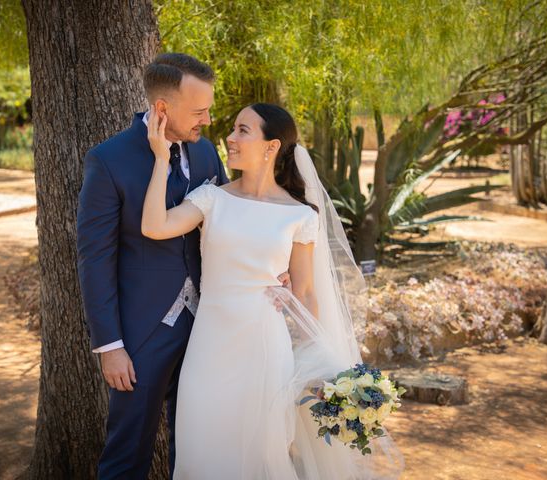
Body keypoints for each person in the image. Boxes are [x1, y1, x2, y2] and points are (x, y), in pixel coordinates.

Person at [142, 103, 403, 479]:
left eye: (242, 130)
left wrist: (320, 363)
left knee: (262, 458)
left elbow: (308, 294)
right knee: (200, 452)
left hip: (266, 351)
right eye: (232, 129)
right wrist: (160, 159)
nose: (229, 138)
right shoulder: (211, 198)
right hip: (208, 350)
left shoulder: (300, 216)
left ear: (271, 146)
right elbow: (154, 226)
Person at [76, 53, 231, 479]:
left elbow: (223, 225)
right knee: (127, 455)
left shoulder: (206, 154)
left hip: (206, 329)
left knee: (198, 448)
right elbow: (95, 258)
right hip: (140, 335)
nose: (208, 119)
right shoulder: (109, 160)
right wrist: (110, 346)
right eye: (199, 111)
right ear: (162, 108)